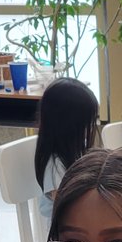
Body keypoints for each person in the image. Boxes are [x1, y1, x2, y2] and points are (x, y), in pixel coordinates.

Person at [33, 76, 99, 224]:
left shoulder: (77, 149)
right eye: (86, 122)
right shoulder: (55, 165)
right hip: (61, 235)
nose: (90, 128)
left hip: (78, 225)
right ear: (68, 126)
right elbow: (68, 207)